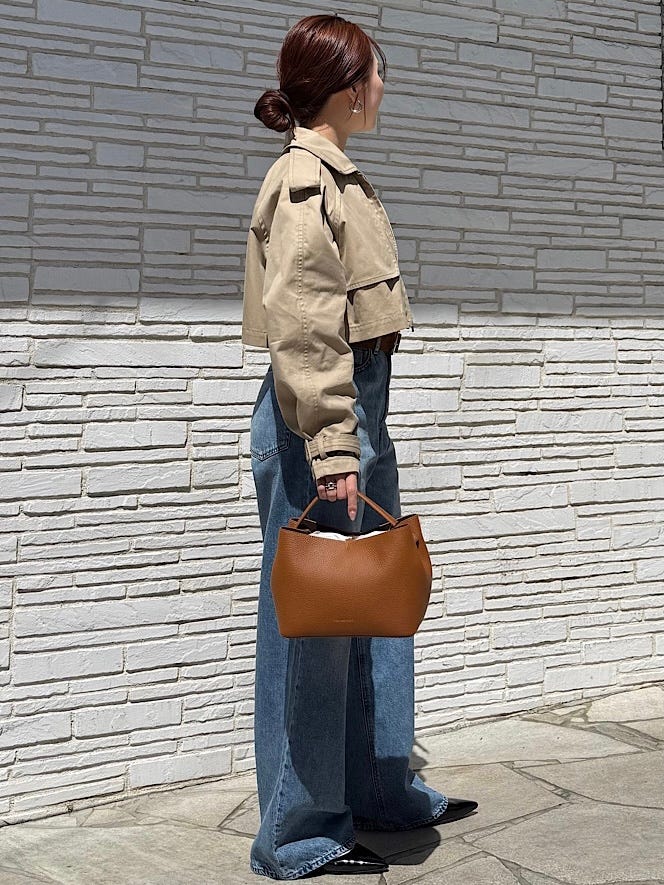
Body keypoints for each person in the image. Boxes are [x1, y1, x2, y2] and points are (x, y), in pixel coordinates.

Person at [241, 14, 478, 880]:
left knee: (373, 603)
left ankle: (380, 787)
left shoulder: (338, 172)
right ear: (346, 87)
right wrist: (336, 444)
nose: (383, 87)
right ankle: (298, 832)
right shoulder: (305, 178)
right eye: (377, 73)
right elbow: (305, 323)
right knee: (315, 626)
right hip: (321, 417)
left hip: (353, 407)